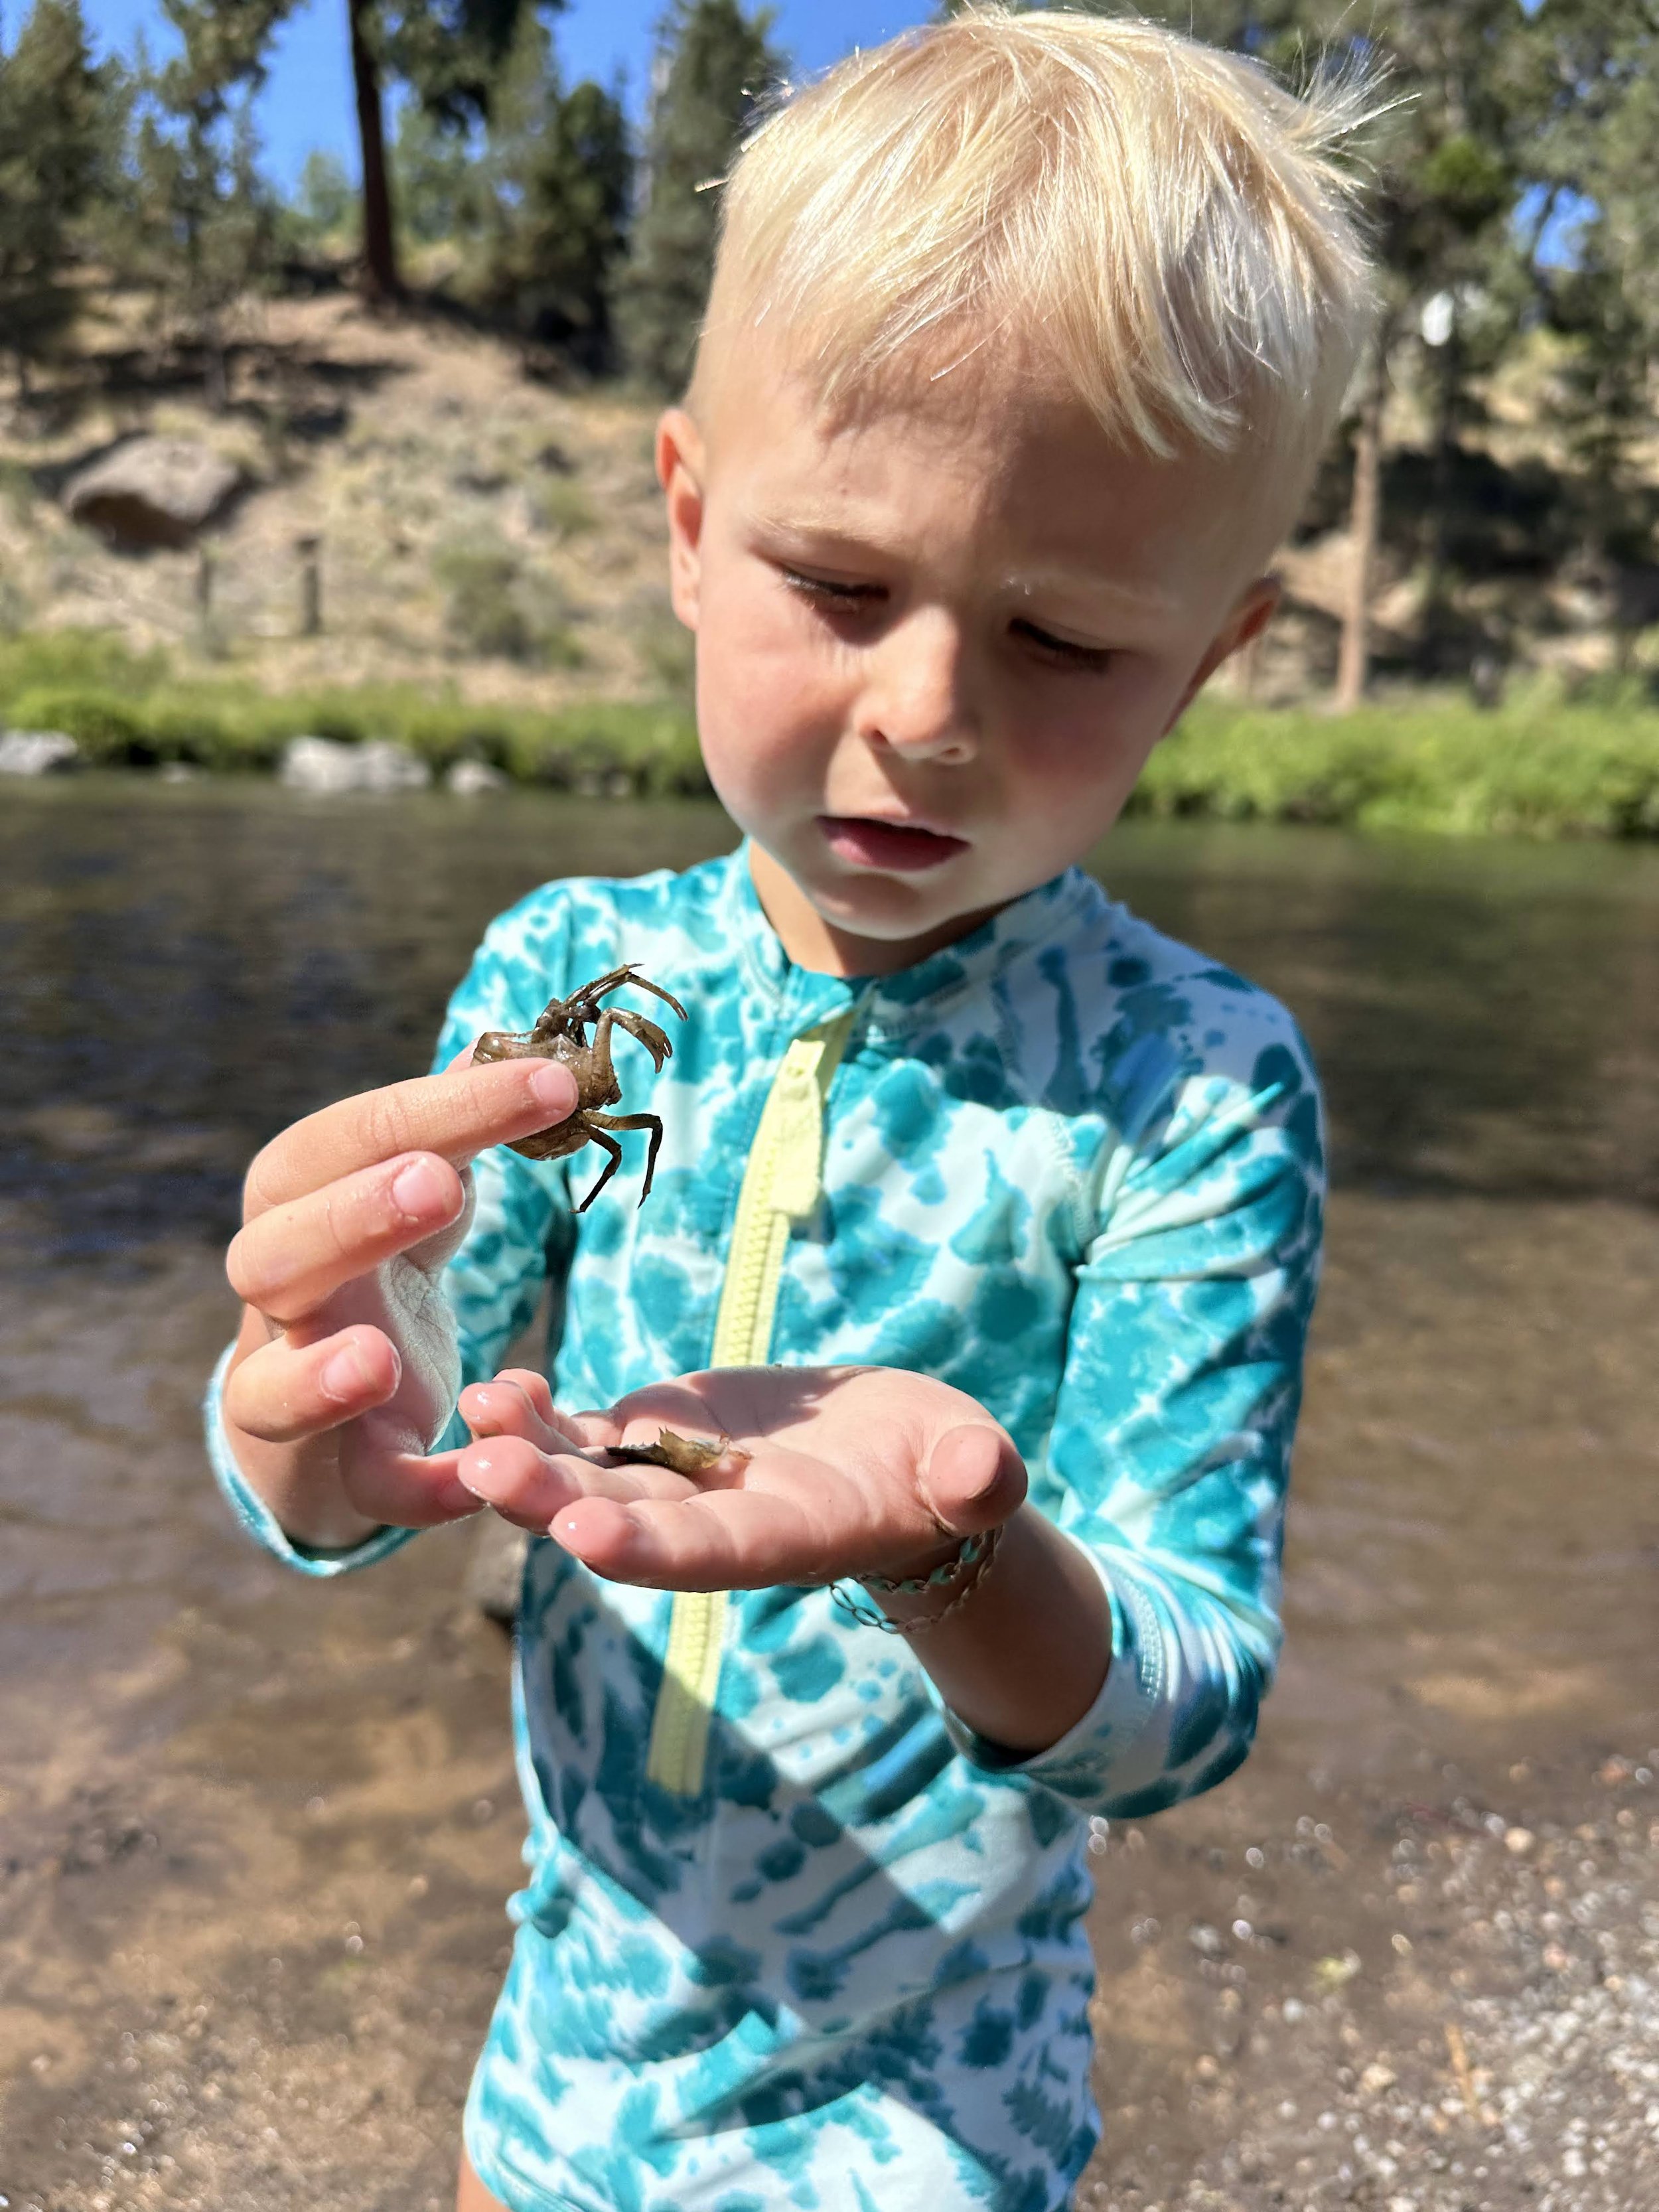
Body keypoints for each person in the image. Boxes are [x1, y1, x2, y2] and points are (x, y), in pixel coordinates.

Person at [206, 12, 1378, 2208]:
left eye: (1065, 640)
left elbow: (1186, 1701)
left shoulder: (1189, 1087)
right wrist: (314, 1430)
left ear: (1209, 660)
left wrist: (954, 1548)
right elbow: (404, 1440)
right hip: (557, 2080)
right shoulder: (578, 985)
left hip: (930, 2134)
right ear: (686, 521)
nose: (925, 711)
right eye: (838, 588)